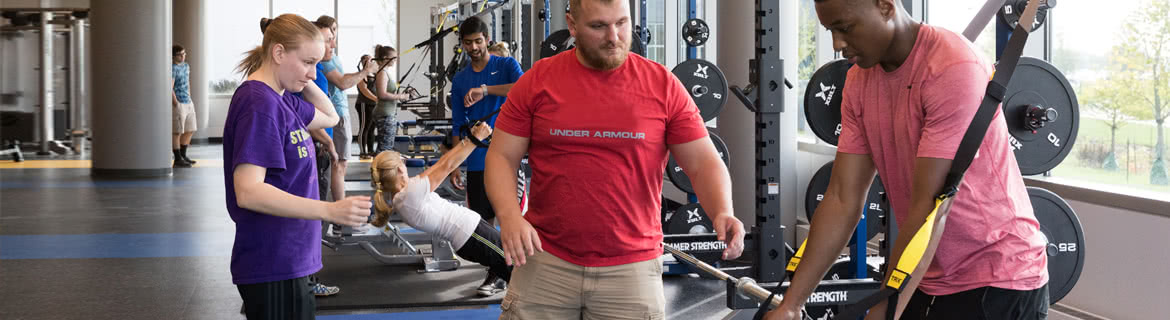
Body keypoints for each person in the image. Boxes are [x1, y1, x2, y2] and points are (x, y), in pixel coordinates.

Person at [763, 1, 1048, 319]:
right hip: (927, 273)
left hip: (998, 279)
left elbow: (931, 210)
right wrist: (791, 304)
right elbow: (842, 197)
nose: (837, 44)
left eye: (844, 28)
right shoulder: (859, 82)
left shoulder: (952, 68)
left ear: (885, 7)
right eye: (830, 31)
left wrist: (883, 311)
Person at [483, 0, 745, 318]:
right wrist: (509, 216)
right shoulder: (538, 82)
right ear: (572, 24)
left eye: (622, 23)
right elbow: (501, 156)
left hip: (632, 266)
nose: (614, 36)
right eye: (599, 26)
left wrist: (722, 211)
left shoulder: (662, 85)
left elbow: (703, 162)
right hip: (545, 258)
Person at [225, 14, 370, 320]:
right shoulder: (258, 103)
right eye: (307, 62)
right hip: (272, 262)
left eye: (317, 64)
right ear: (278, 53)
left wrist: (302, 78)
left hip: (291, 258)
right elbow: (248, 192)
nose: (313, 73)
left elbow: (331, 116)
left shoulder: (281, 99)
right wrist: (328, 210)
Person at [368, 122, 513, 295]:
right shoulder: (410, 195)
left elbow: (440, 164)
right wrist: (475, 139)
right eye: (404, 162)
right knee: (518, 269)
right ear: (400, 168)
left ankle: (499, 277)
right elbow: (446, 167)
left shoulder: (403, 195)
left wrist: (466, 141)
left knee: (512, 261)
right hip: (471, 235)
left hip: (472, 233)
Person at [448, 15, 525, 297]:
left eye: (478, 41)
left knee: (510, 216)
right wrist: (455, 162)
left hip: (507, 153)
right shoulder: (460, 79)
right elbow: (457, 122)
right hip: (477, 156)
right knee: (482, 222)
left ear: (487, 40)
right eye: (468, 43)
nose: (473, 47)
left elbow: (524, 88)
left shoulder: (505, 65)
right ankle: (497, 272)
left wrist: (485, 90)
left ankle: (512, 272)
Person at [316, 15, 379, 205]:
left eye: (335, 30)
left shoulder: (331, 56)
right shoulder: (324, 61)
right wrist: (365, 72)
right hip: (335, 116)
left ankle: (336, 210)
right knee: (338, 165)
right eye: (330, 34)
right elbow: (343, 83)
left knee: (339, 164)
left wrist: (363, 72)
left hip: (337, 114)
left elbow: (343, 78)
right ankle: (339, 211)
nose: (334, 38)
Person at [371, 45, 415, 153]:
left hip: (388, 112)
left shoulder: (385, 72)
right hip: (384, 114)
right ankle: (380, 169)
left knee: (385, 146)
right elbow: (382, 94)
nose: (395, 60)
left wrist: (404, 94)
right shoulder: (382, 73)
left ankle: (378, 168)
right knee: (385, 147)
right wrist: (401, 96)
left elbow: (389, 93)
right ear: (386, 58)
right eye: (394, 58)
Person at [171, 44, 197, 168]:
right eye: (180, 55)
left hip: (188, 101)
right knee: (177, 131)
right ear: (173, 56)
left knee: (190, 129)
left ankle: (183, 155)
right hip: (179, 102)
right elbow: (169, 86)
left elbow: (187, 82)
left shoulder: (186, 66)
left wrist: (190, 97)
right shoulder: (172, 68)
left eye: (184, 53)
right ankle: (177, 159)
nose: (183, 56)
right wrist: (175, 101)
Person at [354, 54, 378, 159]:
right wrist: (376, 98)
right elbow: (364, 90)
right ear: (363, 61)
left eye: (371, 59)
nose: (370, 61)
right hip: (364, 104)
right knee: (364, 128)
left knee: (371, 129)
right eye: (367, 59)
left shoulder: (374, 74)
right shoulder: (362, 74)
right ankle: (363, 152)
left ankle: (371, 151)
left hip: (373, 104)